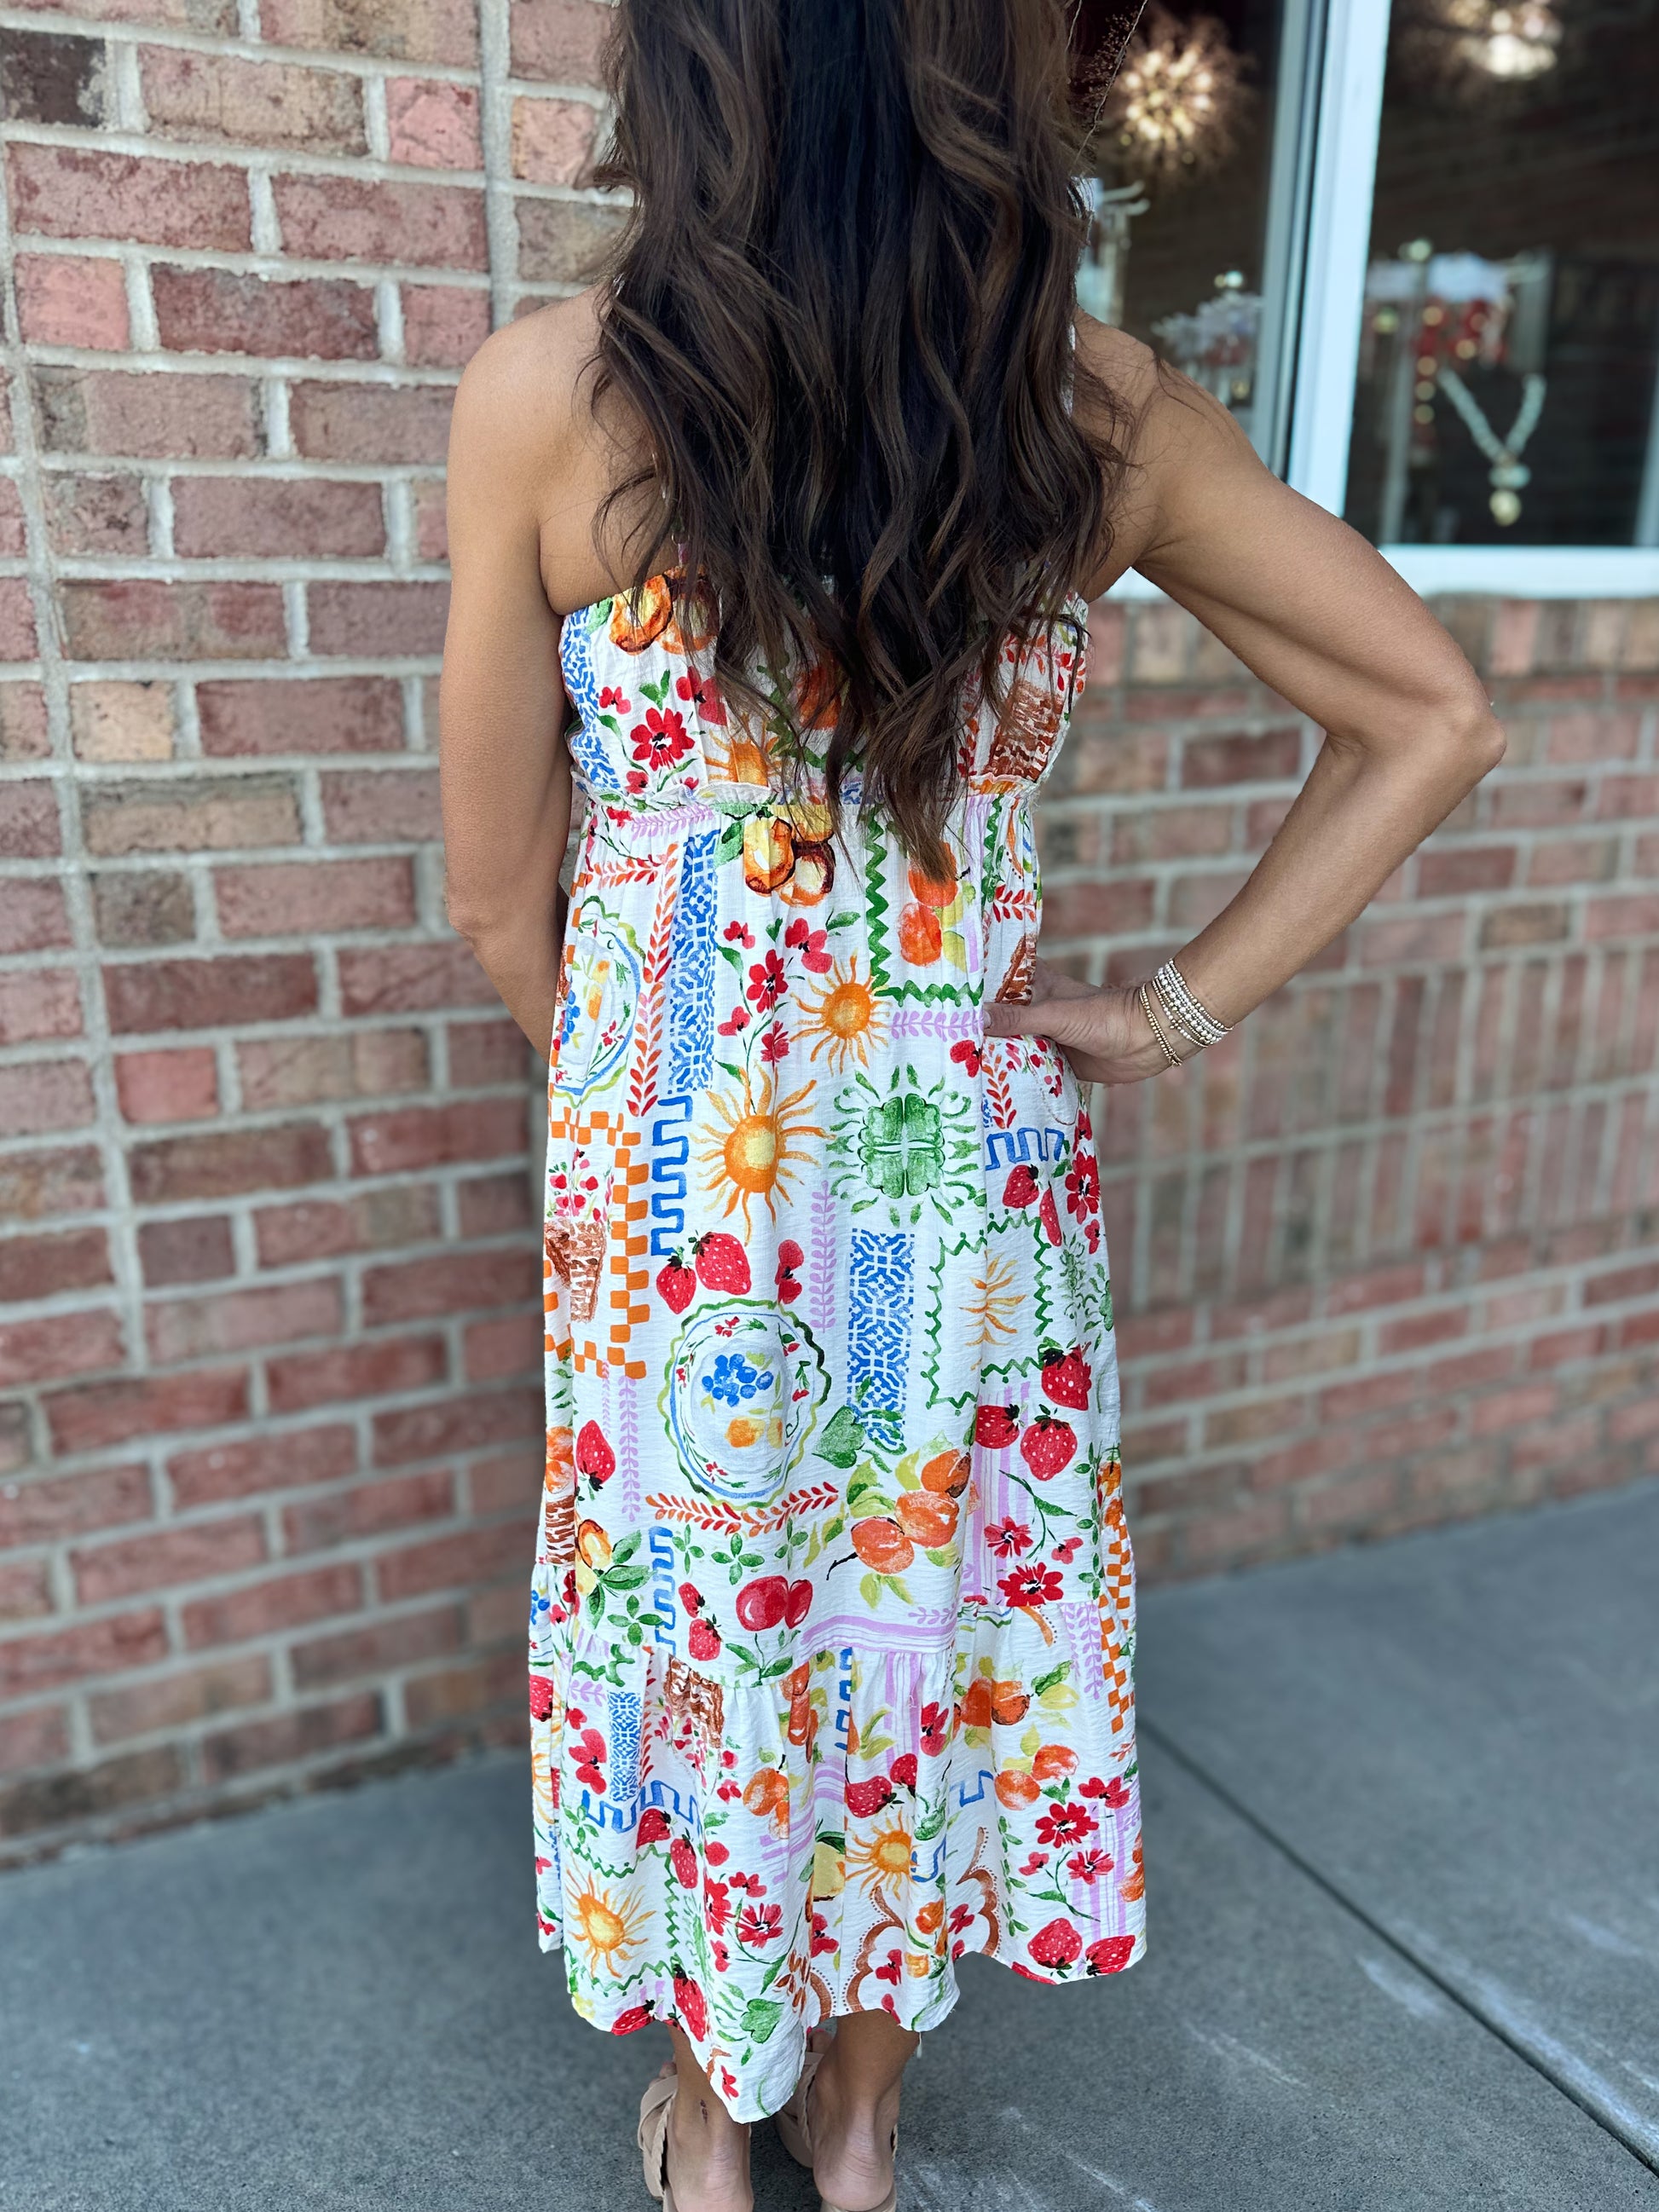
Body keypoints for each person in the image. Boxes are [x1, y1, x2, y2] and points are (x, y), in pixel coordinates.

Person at [438, 4, 1505, 2206]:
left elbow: (488, 888)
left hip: (678, 1175)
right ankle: (855, 2133)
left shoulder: (551, 394)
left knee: (720, 1604)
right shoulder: (1091, 413)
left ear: (699, 80)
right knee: (915, 1592)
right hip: (964, 1163)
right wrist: (1174, 1011)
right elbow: (1429, 712)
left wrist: (644, 1104)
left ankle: (712, 2139)